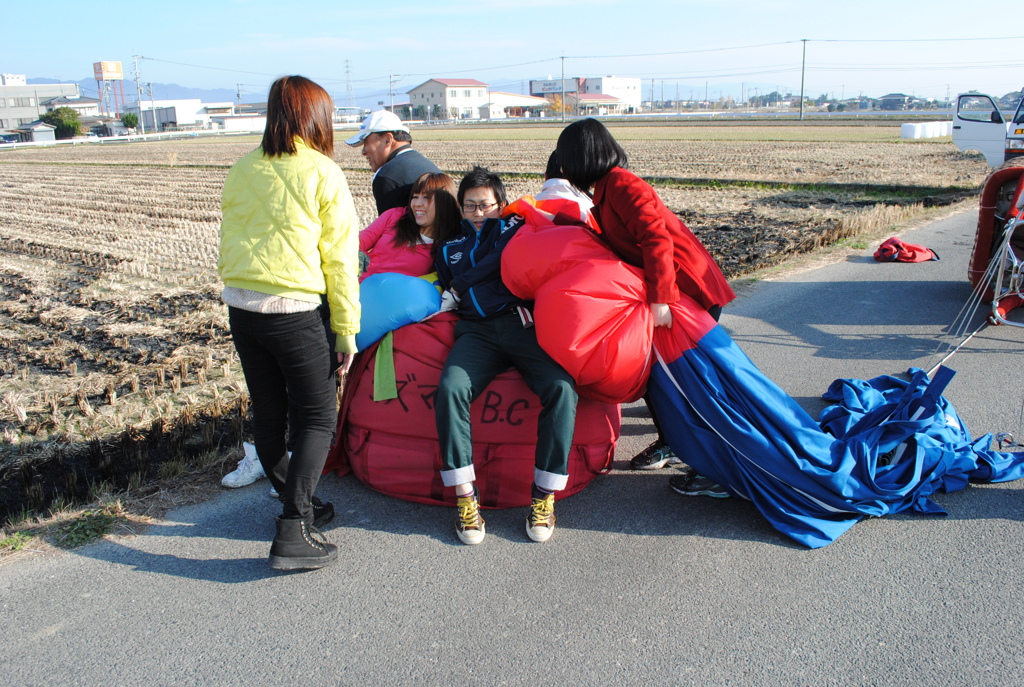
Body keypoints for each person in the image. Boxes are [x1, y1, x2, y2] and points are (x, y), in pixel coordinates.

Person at [218, 75, 360, 570]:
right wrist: (345, 330)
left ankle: (298, 503)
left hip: (242, 308)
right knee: (319, 417)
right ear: (314, 116)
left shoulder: (241, 168)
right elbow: (340, 260)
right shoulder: (322, 172)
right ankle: (294, 528)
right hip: (294, 310)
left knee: (271, 415)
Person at [555, 118, 736, 498]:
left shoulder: (622, 183)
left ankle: (717, 467)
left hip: (686, 292)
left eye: (567, 158)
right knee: (664, 379)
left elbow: (657, 240)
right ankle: (678, 444)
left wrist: (661, 301)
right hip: (675, 295)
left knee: (691, 384)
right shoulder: (606, 190)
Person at [433, 167, 579, 545]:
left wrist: (460, 285)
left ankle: (544, 496)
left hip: (522, 325)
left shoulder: (516, 230)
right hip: (476, 333)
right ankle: (466, 499)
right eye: (469, 207)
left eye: (485, 206)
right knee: (450, 389)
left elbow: (498, 261)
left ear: (500, 204)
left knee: (561, 388)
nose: (478, 214)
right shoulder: (448, 248)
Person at [359, 172, 461, 282]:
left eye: (426, 197)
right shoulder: (395, 216)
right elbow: (357, 242)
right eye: (415, 197)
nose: (417, 204)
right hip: (352, 288)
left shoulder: (446, 249)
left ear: (444, 203)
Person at [346, 110, 441, 215]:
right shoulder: (431, 167)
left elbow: (390, 229)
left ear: (388, 140)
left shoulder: (386, 177)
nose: (363, 151)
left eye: (366, 142)